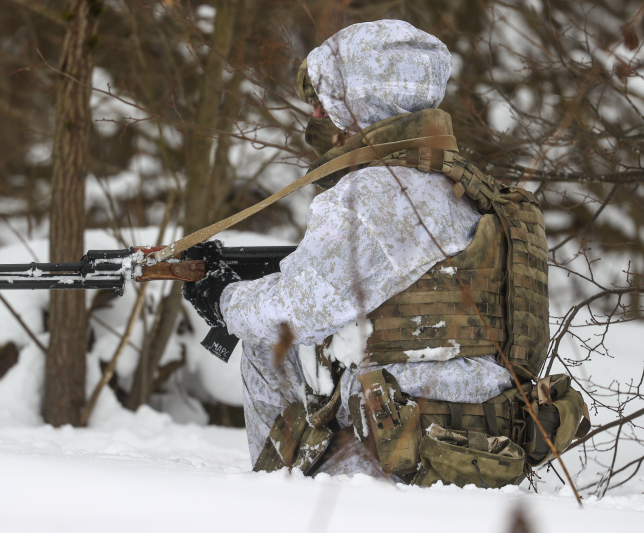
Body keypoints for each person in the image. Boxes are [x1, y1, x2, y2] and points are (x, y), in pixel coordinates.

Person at [183, 20, 551, 482]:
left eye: (327, 99)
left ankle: (274, 490)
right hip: (490, 433)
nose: (318, 115)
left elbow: (295, 311)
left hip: (399, 440)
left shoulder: (375, 194)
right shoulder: (471, 189)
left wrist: (222, 299)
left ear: (360, 98)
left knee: (263, 340)